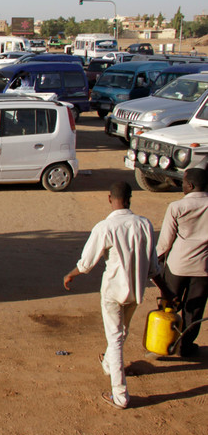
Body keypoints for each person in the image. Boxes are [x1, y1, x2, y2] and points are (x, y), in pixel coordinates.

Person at [63, 181, 171, 409]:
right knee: (121, 332)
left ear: (109, 198)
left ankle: (120, 395)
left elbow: (86, 263)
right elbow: (153, 267)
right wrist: (165, 290)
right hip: (136, 290)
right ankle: (110, 365)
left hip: (113, 290)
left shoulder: (104, 227)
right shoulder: (144, 224)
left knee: (115, 337)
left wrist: (71, 274)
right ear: (130, 198)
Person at [156, 168, 208, 357]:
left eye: (184, 183)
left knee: (169, 303)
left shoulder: (177, 207)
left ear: (191, 186)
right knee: (193, 309)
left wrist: (156, 263)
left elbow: (165, 242)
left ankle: (164, 343)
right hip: (203, 268)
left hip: (177, 266)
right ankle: (185, 346)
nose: (182, 186)